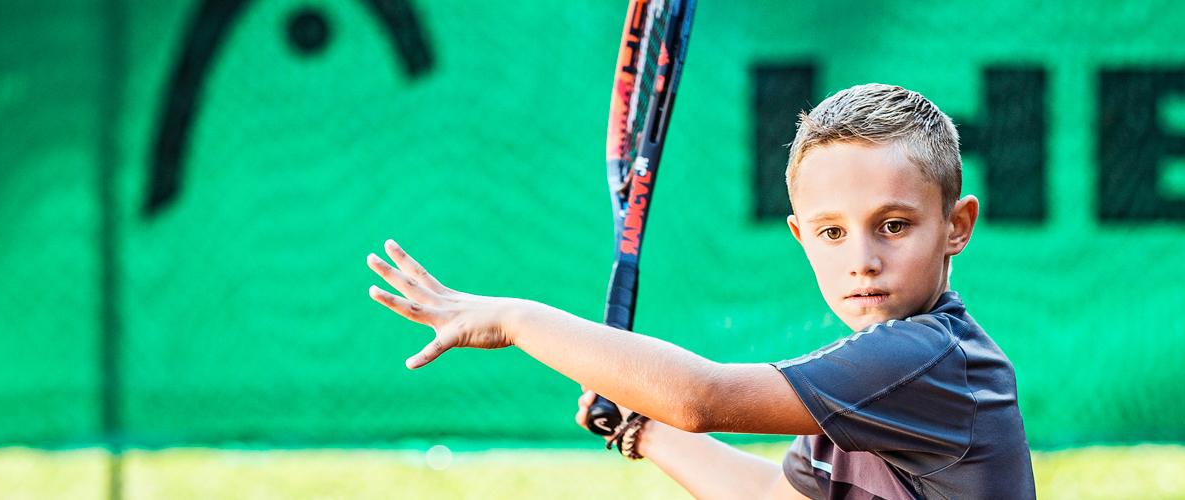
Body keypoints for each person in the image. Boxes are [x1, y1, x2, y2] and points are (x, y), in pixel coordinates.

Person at [366, 83, 1033, 500]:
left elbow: (702, 397)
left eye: (893, 225)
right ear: (800, 237)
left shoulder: (924, 360)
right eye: (832, 233)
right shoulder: (867, 379)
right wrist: (641, 428)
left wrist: (515, 318)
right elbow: (776, 494)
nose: (862, 260)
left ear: (956, 226)